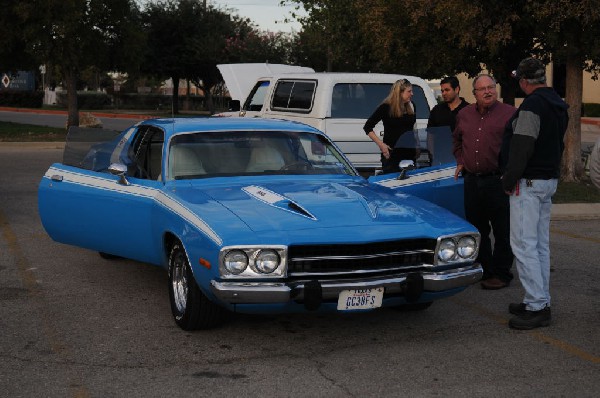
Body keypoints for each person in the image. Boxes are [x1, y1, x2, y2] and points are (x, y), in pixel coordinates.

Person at [500, 58, 569, 330]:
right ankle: (538, 300)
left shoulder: (532, 105)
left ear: (525, 81)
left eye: (520, 79)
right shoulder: (556, 104)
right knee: (539, 245)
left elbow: (522, 146)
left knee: (523, 245)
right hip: (546, 180)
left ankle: (537, 305)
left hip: (528, 182)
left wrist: (509, 178)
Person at [453, 74, 516, 290]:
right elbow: (457, 140)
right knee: (477, 228)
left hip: (498, 181)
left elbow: (519, 146)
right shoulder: (464, 115)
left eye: (491, 87)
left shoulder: (510, 114)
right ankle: (485, 269)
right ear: (474, 94)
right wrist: (461, 161)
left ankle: (501, 273)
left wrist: (511, 174)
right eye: (483, 89)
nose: (488, 91)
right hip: (472, 180)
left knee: (502, 230)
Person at [364, 79, 417, 174]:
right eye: (409, 91)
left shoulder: (411, 106)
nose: (412, 94)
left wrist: (417, 146)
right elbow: (368, 127)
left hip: (409, 154)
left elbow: (413, 128)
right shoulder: (385, 107)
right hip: (392, 154)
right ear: (399, 92)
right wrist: (381, 145)